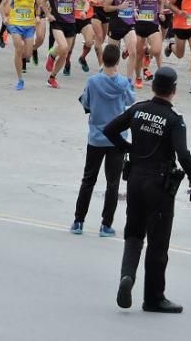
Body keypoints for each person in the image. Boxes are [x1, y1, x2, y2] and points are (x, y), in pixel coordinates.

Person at [103, 66, 191, 314]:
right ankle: (154, 298)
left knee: (133, 234)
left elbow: (110, 129)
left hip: (135, 179)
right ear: (174, 90)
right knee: (158, 243)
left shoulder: (138, 110)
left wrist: (128, 148)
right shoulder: (175, 120)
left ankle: (127, 276)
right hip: (159, 185)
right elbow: (183, 153)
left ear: (153, 86)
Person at [71, 44, 135, 237]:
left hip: (96, 137)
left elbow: (86, 103)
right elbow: (130, 101)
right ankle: (106, 224)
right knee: (112, 183)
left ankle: (78, 221)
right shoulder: (123, 83)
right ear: (117, 62)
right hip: (116, 138)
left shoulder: (93, 81)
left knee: (88, 179)